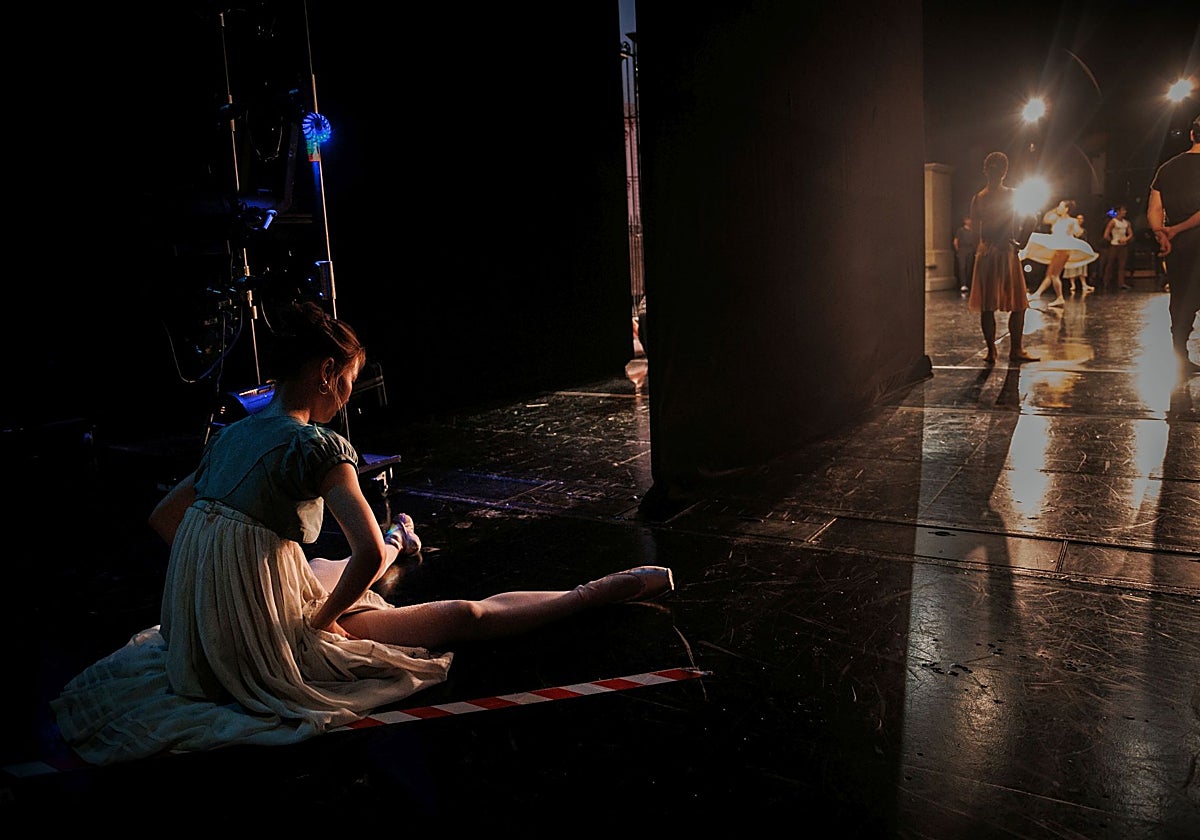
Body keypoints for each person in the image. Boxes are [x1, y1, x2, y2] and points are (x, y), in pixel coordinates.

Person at [51, 300, 675, 765]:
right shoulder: (316, 445)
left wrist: (215, 577)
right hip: (261, 640)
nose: (348, 396)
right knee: (460, 614)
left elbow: (164, 516)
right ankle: (596, 591)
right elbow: (361, 553)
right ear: (326, 371)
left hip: (203, 639)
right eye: (347, 380)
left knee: (319, 566)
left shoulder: (231, 434)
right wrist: (318, 620)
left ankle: (403, 536)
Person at [966, 151, 1039, 364]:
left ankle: (991, 351)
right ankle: (1015, 350)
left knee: (987, 305)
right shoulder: (1012, 194)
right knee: (1018, 304)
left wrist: (979, 250)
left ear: (985, 170)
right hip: (1006, 252)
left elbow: (973, 232)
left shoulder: (978, 198)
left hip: (986, 253)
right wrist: (1022, 242)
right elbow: (1032, 218)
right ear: (1005, 171)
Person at [1147, 113, 1200, 377]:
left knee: (1180, 299)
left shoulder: (1166, 168)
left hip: (1177, 246)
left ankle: (1180, 355)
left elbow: (1154, 208)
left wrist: (1163, 235)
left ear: (1192, 134)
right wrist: (1176, 229)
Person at [1022, 199, 1098, 306]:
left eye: (1061, 206)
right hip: (1058, 249)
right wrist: (1056, 209)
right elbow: (1046, 219)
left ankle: (1059, 298)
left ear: (1067, 209)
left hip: (1064, 250)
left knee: (1054, 275)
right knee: (1049, 274)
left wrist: (1073, 230)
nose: (1059, 208)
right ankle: (1037, 294)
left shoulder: (1072, 221)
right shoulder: (1057, 219)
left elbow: (1078, 232)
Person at [1100, 205, 1134, 292]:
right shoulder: (1113, 222)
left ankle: (1121, 283)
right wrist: (1112, 240)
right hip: (1114, 245)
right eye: (1123, 210)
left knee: (1122, 265)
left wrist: (1126, 239)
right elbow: (1106, 235)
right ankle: (1105, 282)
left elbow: (1130, 234)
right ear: (1118, 211)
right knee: (1110, 264)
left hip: (1123, 245)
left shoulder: (1126, 222)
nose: (1125, 212)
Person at [1063, 213, 1095, 294]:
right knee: (1072, 267)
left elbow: (1085, 241)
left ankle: (1084, 284)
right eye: (1078, 219)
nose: (1080, 220)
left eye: (1081, 219)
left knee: (1082, 267)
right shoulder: (1071, 230)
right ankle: (1073, 285)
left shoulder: (1083, 230)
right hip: (1073, 249)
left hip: (1081, 250)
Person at [954, 215, 979, 293]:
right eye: (968, 219)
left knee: (969, 267)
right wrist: (958, 250)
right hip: (962, 249)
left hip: (970, 249)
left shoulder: (972, 231)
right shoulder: (960, 230)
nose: (969, 221)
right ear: (965, 220)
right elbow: (956, 241)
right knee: (962, 267)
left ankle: (968, 284)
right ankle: (963, 284)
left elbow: (974, 241)